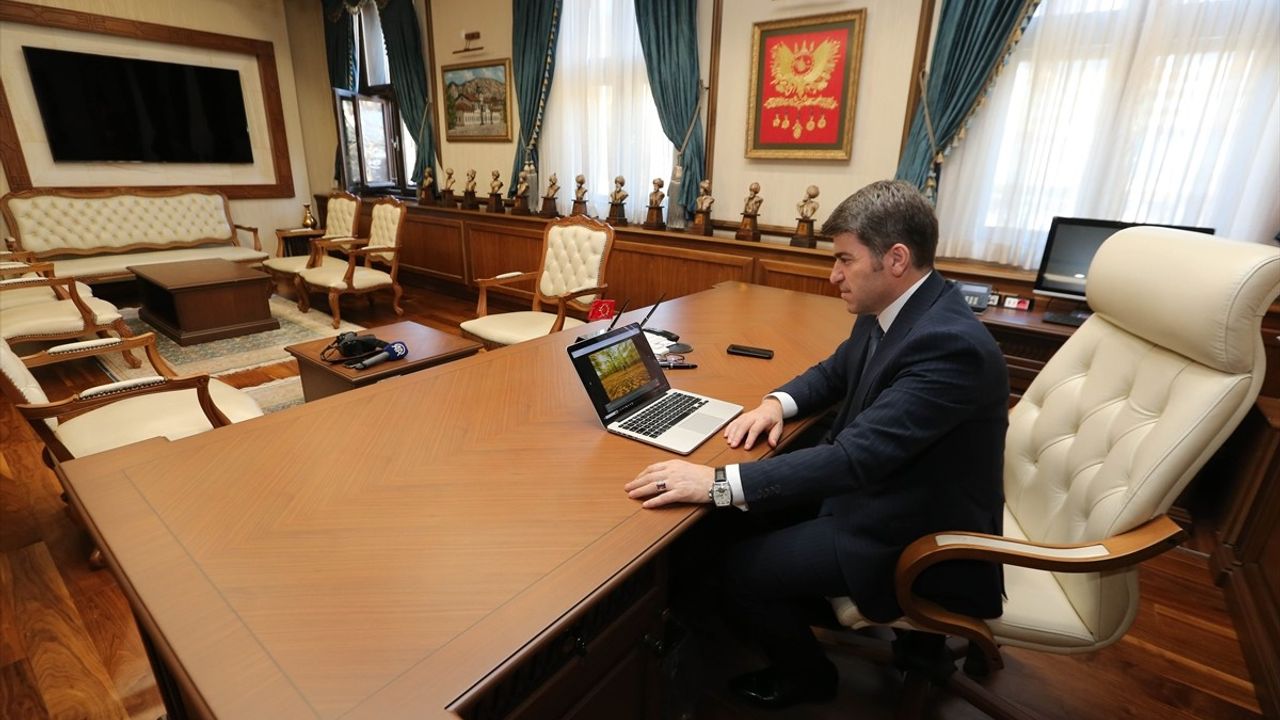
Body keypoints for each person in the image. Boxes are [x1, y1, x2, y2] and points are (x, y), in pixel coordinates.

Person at [625, 179, 1008, 709]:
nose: (834, 276)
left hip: (914, 533)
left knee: (734, 566)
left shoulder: (948, 346)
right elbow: (834, 372)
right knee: (725, 524)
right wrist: (774, 404)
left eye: (845, 260)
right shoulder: (903, 308)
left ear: (895, 259)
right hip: (886, 491)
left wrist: (712, 482)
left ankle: (807, 675)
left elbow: (855, 459)